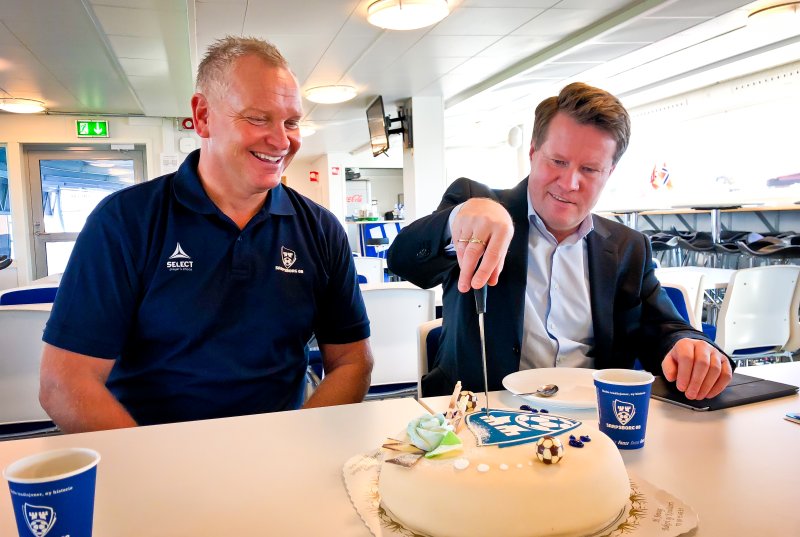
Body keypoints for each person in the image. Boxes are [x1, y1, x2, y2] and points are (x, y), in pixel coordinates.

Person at [39, 36, 373, 432]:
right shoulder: (125, 221)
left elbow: (353, 361)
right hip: (152, 451)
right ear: (202, 116)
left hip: (277, 450)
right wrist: (159, 472)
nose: (282, 141)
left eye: (292, 122)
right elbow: (64, 383)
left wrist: (296, 442)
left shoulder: (320, 229)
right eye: (257, 118)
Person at [388, 82, 733, 400]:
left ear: (609, 173)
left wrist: (690, 346)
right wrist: (458, 218)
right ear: (534, 152)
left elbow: (663, 328)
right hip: (486, 419)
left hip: (592, 425)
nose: (569, 183)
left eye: (589, 169)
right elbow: (403, 260)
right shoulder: (478, 207)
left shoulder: (628, 247)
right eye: (558, 161)